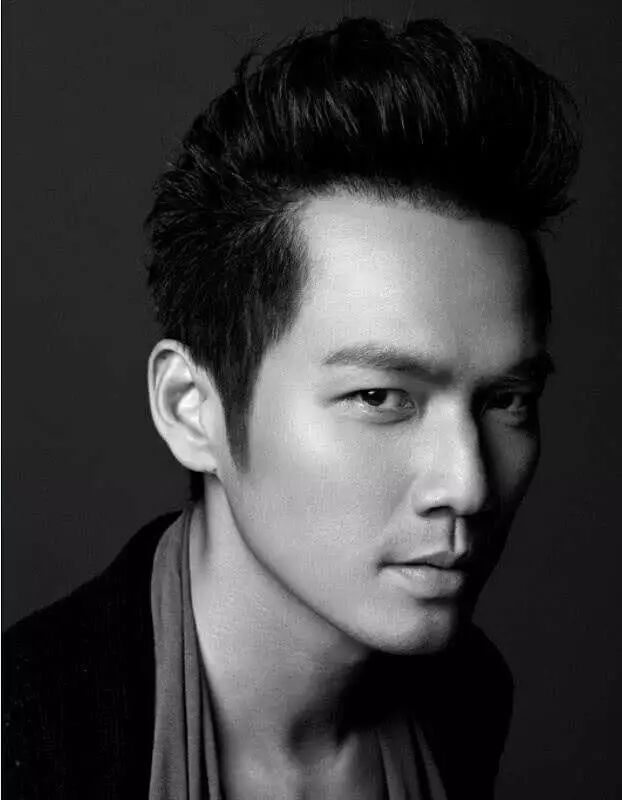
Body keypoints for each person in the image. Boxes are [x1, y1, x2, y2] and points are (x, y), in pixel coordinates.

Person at [3, 16, 580, 800]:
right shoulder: (29, 738)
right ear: (191, 409)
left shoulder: (467, 696)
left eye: (507, 401)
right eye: (379, 396)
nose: (468, 485)